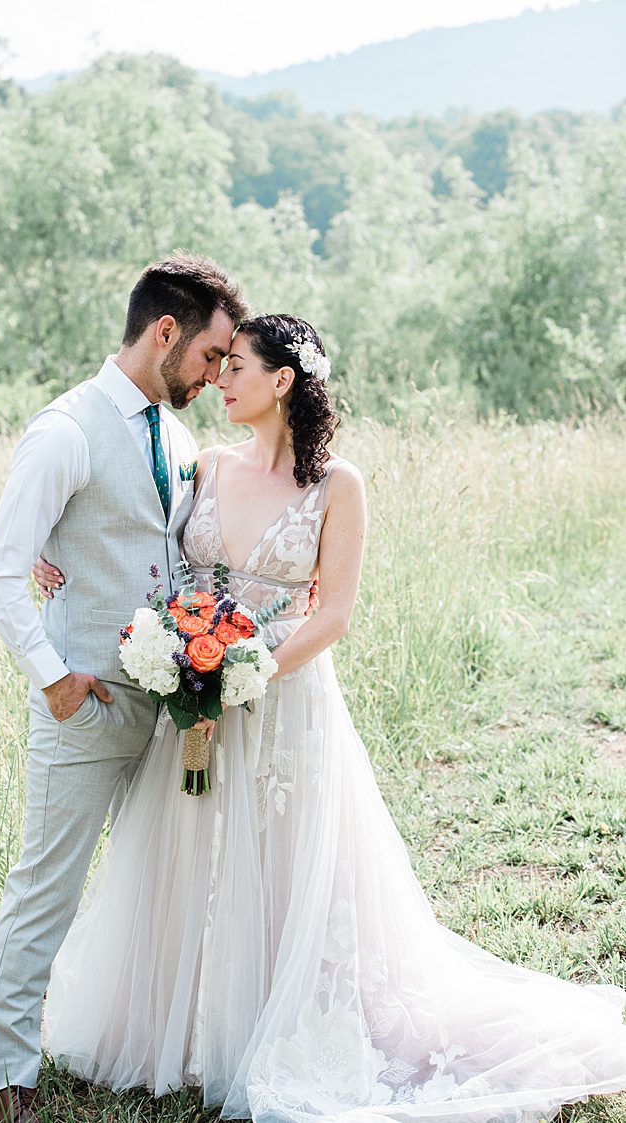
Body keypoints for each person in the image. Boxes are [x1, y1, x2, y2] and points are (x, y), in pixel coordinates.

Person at [35, 314, 626, 1123]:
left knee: (282, 863)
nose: (218, 379)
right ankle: (180, 1029)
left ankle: (284, 1027)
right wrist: (54, 554)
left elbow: (334, 613)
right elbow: (132, 534)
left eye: (236, 366)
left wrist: (246, 672)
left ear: (283, 380)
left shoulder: (336, 485)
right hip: (192, 694)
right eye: (219, 364)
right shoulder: (202, 466)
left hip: (282, 697)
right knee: (191, 855)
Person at [0, 252, 250, 1123]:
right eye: (210, 355)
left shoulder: (174, 434)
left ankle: (139, 1041)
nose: (215, 375)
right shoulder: (65, 429)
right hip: (84, 703)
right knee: (45, 886)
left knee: (158, 884)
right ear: (165, 332)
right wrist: (54, 681)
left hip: (170, 707)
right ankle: (9, 1075)